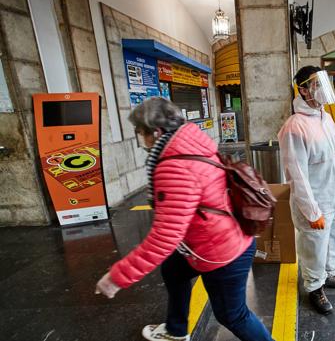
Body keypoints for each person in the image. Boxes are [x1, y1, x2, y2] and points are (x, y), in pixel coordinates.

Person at [94, 97, 273, 341]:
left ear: (156, 132)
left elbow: (164, 238)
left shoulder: (174, 166)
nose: (141, 140)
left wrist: (117, 277)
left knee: (233, 315)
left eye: (141, 133)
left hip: (221, 253)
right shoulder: (192, 144)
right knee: (173, 269)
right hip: (222, 236)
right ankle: (176, 331)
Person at [278, 66, 335, 315]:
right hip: (315, 201)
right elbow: (297, 175)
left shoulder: (325, 117)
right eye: (315, 84)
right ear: (303, 89)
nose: (321, 89)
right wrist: (311, 211)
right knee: (314, 247)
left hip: (333, 194)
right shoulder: (294, 127)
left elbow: (326, 149)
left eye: (322, 83)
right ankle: (314, 287)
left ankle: (329, 273)